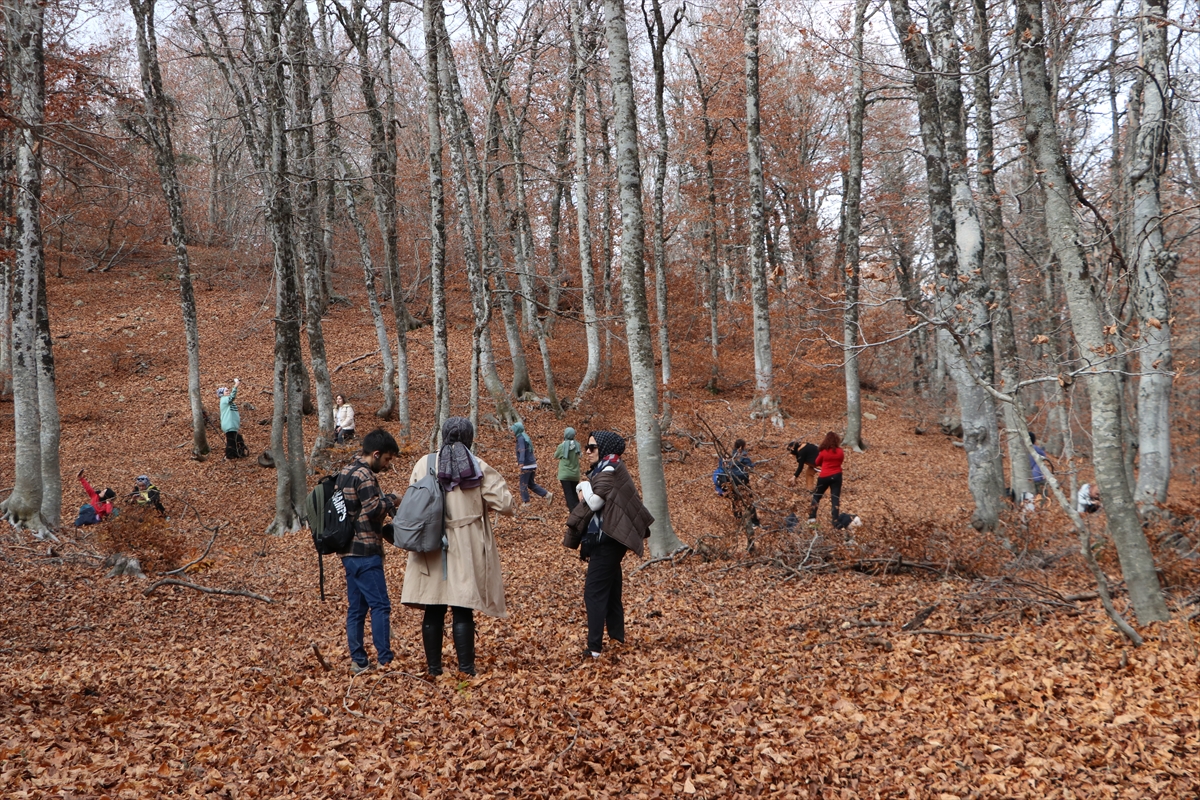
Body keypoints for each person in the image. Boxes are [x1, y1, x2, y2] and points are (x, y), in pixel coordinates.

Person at [402, 417, 515, 677]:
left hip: (429, 542)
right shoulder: (477, 466)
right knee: (462, 606)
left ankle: (434, 670)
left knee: (434, 606)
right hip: (466, 544)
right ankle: (466, 670)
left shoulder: (425, 463)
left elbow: (412, 499)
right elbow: (506, 505)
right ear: (469, 437)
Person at [564, 431, 654, 659]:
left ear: (604, 449)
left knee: (593, 592)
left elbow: (595, 502)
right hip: (612, 538)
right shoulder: (609, 468)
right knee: (612, 590)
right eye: (587, 447)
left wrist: (583, 485)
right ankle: (617, 639)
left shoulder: (609, 468)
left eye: (592, 447)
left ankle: (594, 649)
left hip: (610, 540)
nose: (587, 451)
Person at [337, 428, 402, 674]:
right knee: (381, 605)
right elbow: (373, 508)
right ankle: (385, 660)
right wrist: (393, 499)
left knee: (357, 608)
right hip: (365, 551)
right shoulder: (365, 475)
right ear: (376, 454)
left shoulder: (345, 471)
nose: (386, 465)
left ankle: (359, 660)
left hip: (347, 551)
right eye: (386, 459)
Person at [808, 431, 845, 527]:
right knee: (835, 498)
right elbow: (840, 461)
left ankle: (812, 517)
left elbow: (816, 462)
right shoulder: (840, 451)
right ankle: (835, 520)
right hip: (837, 475)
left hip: (824, 476)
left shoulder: (823, 452)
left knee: (817, 496)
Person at [511, 421, 551, 505]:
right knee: (530, 483)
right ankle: (547, 494)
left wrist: (521, 462)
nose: (512, 432)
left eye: (513, 430)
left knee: (523, 484)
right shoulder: (525, 437)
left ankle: (526, 502)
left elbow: (522, 450)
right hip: (532, 464)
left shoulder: (521, 438)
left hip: (527, 465)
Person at [554, 427, 583, 511]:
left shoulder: (561, 446)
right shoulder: (577, 445)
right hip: (575, 474)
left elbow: (555, 455)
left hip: (565, 474)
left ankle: (573, 512)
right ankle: (578, 510)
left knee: (568, 493)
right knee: (574, 493)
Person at [218, 378, 246, 459]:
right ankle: (229, 455)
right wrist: (236, 386)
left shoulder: (227, 401)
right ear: (222, 394)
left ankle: (237, 453)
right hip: (229, 425)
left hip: (232, 425)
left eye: (228, 390)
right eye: (226, 391)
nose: (228, 392)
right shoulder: (224, 399)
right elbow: (231, 397)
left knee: (238, 439)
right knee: (231, 441)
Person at [1028, 432, 1054, 497]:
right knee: (1043, 497)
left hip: (1028, 479)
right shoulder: (1035, 448)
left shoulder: (1023, 450)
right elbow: (1044, 456)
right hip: (1038, 477)